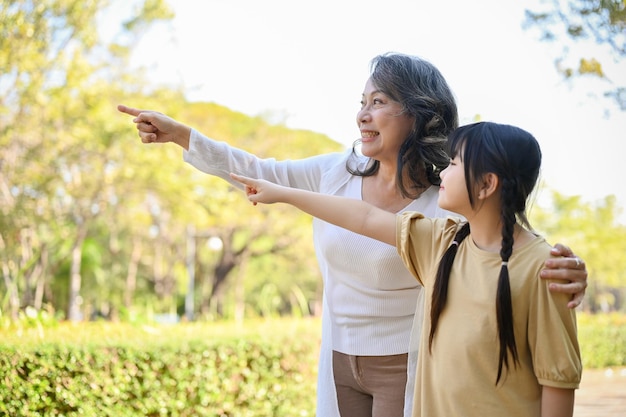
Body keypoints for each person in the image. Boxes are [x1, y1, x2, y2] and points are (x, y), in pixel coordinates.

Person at [118, 53, 588, 417]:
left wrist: (568, 272)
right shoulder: (334, 173)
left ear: (419, 114)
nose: (363, 115)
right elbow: (261, 173)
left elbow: (504, 237)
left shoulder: (443, 204)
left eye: (379, 102)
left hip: (407, 362)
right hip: (339, 355)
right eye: (361, 102)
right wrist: (184, 136)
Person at [230, 121, 583, 417]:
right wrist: (284, 194)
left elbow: (557, 382)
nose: (443, 172)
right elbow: (365, 217)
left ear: (487, 184)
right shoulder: (442, 242)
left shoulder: (545, 268)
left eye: (455, 164)